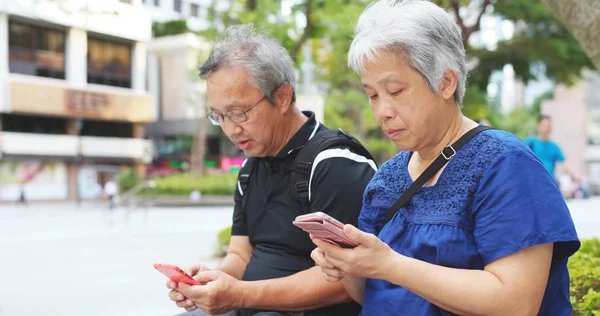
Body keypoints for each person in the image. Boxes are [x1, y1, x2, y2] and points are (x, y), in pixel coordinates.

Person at [310, 1, 580, 315]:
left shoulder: (504, 164)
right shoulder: (386, 179)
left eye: (395, 91)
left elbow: (515, 304)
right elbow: (366, 293)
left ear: (446, 82)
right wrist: (350, 265)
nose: (382, 111)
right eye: (372, 95)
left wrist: (389, 264)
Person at [166, 24, 377, 316]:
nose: (231, 129)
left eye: (239, 113)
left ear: (282, 96)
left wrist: (238, 294)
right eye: (219, 117)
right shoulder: (250, 170)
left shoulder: (335, 163)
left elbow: (347, 281)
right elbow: (240, 254)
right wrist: (210, 280)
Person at [525, 115, 568, 179]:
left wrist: (576, 178)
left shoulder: (554, 147)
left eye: (549, 126)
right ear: (538, 126)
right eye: (544, 125)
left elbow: (564, 164)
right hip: (533, 181)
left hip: (549, 182)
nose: (547, 128)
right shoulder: (530, 142)